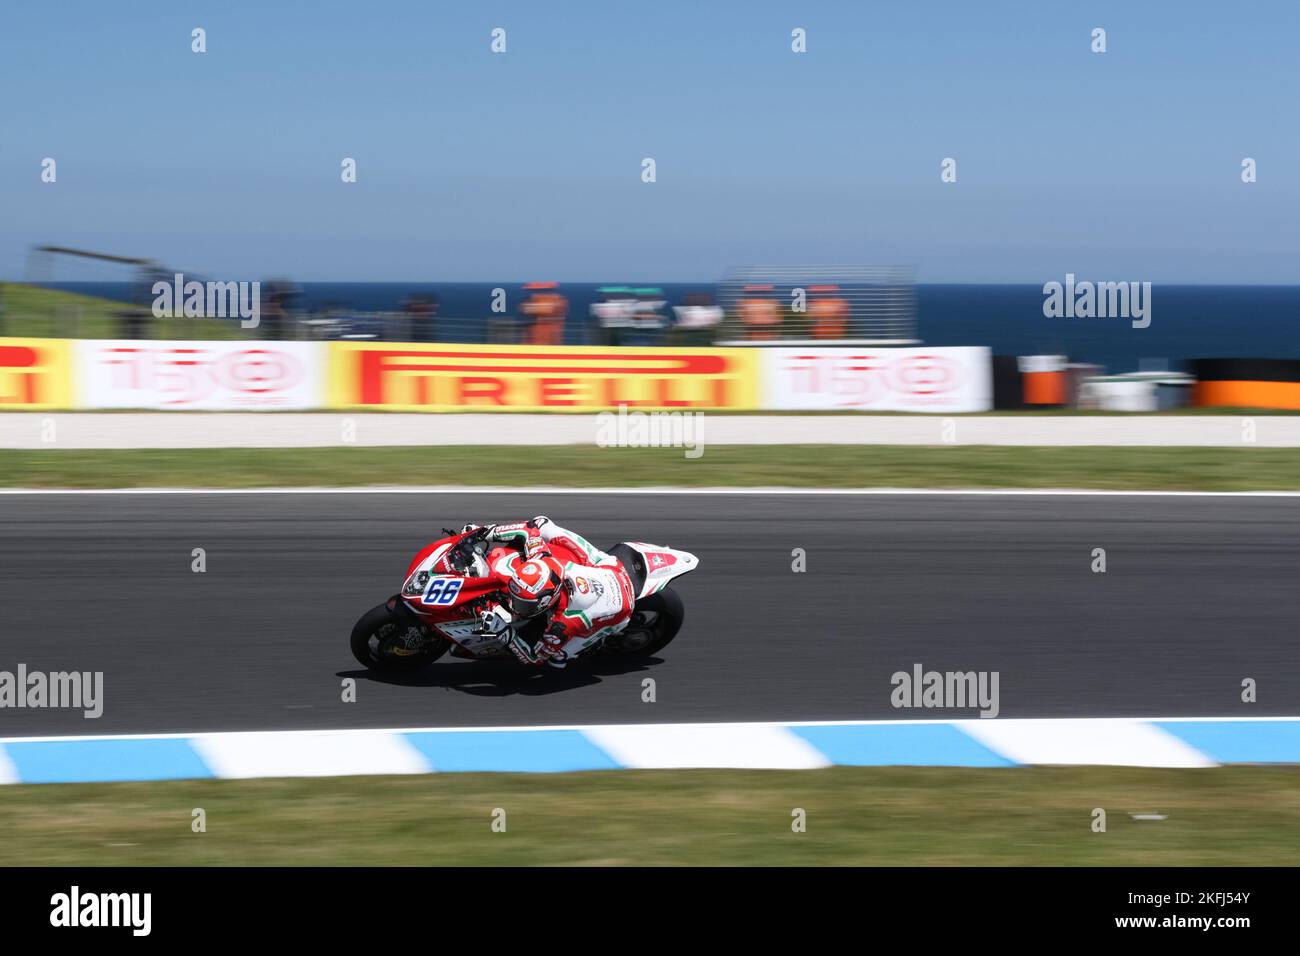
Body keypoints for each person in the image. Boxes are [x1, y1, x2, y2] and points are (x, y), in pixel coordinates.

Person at [465, 516, 636, 668]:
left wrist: (503, 630)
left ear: (547, 601)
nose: (514, 605)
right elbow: (528, 530)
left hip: (621, 603)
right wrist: (481, 532)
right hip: (607, 566)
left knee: (556, 658)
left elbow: (534, 659)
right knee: (542, 523)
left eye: (523, 604)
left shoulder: (564, 623)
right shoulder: (541, 558)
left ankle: (598, 638)